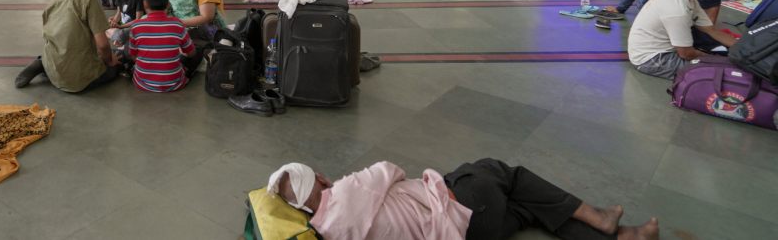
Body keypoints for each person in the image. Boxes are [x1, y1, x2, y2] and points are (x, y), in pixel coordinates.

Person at [267, 160, 659, 240]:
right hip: (463, 209)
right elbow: (391, 169)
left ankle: (624, 236)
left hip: (470, 235)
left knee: (526, 209)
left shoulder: (326, 230)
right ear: (320, 179)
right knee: (501, 173)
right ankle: (598, 217)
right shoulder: (345, 191)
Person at [15, 0, 121, 91]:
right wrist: (110, 61)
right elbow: (102, 45)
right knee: (119, 58)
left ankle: (43, 63)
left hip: (54, 68)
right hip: (77, 81)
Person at [627, 0, 738, 80]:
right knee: (722, 71)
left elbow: (711, 30)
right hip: (651, 59)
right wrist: (719, 60)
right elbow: (686, 54)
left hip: (668, 50)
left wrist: (742, 49)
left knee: (722, 63)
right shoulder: (676, 8)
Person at [125, 0, 198, 92]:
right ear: (168, 4)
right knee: (198, 51)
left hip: (142, 84)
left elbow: (133, 56)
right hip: (175, 84)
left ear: (145, 4)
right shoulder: (178, 24)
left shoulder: (136, 26)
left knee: (127, 48)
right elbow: (191, 53)